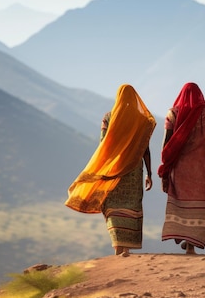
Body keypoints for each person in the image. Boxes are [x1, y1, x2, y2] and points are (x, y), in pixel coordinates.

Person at [66, 84, 156, 257]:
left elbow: (104, 145)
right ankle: (127, 248)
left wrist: (101, 167)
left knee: (112, 204)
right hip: (134, 169)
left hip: (114, 168)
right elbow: (145, 148)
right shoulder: (141, 120)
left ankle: (117, 247)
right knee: (132, 204)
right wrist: (149, 173)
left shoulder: (108, 117)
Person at [158, 82, 205, 255]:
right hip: (201, 165)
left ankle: (183, 234)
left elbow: (167, 141)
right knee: (198, 201)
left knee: (181, 199)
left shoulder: (172, 113)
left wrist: (165, 163)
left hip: (180, 166)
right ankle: (190, 244)